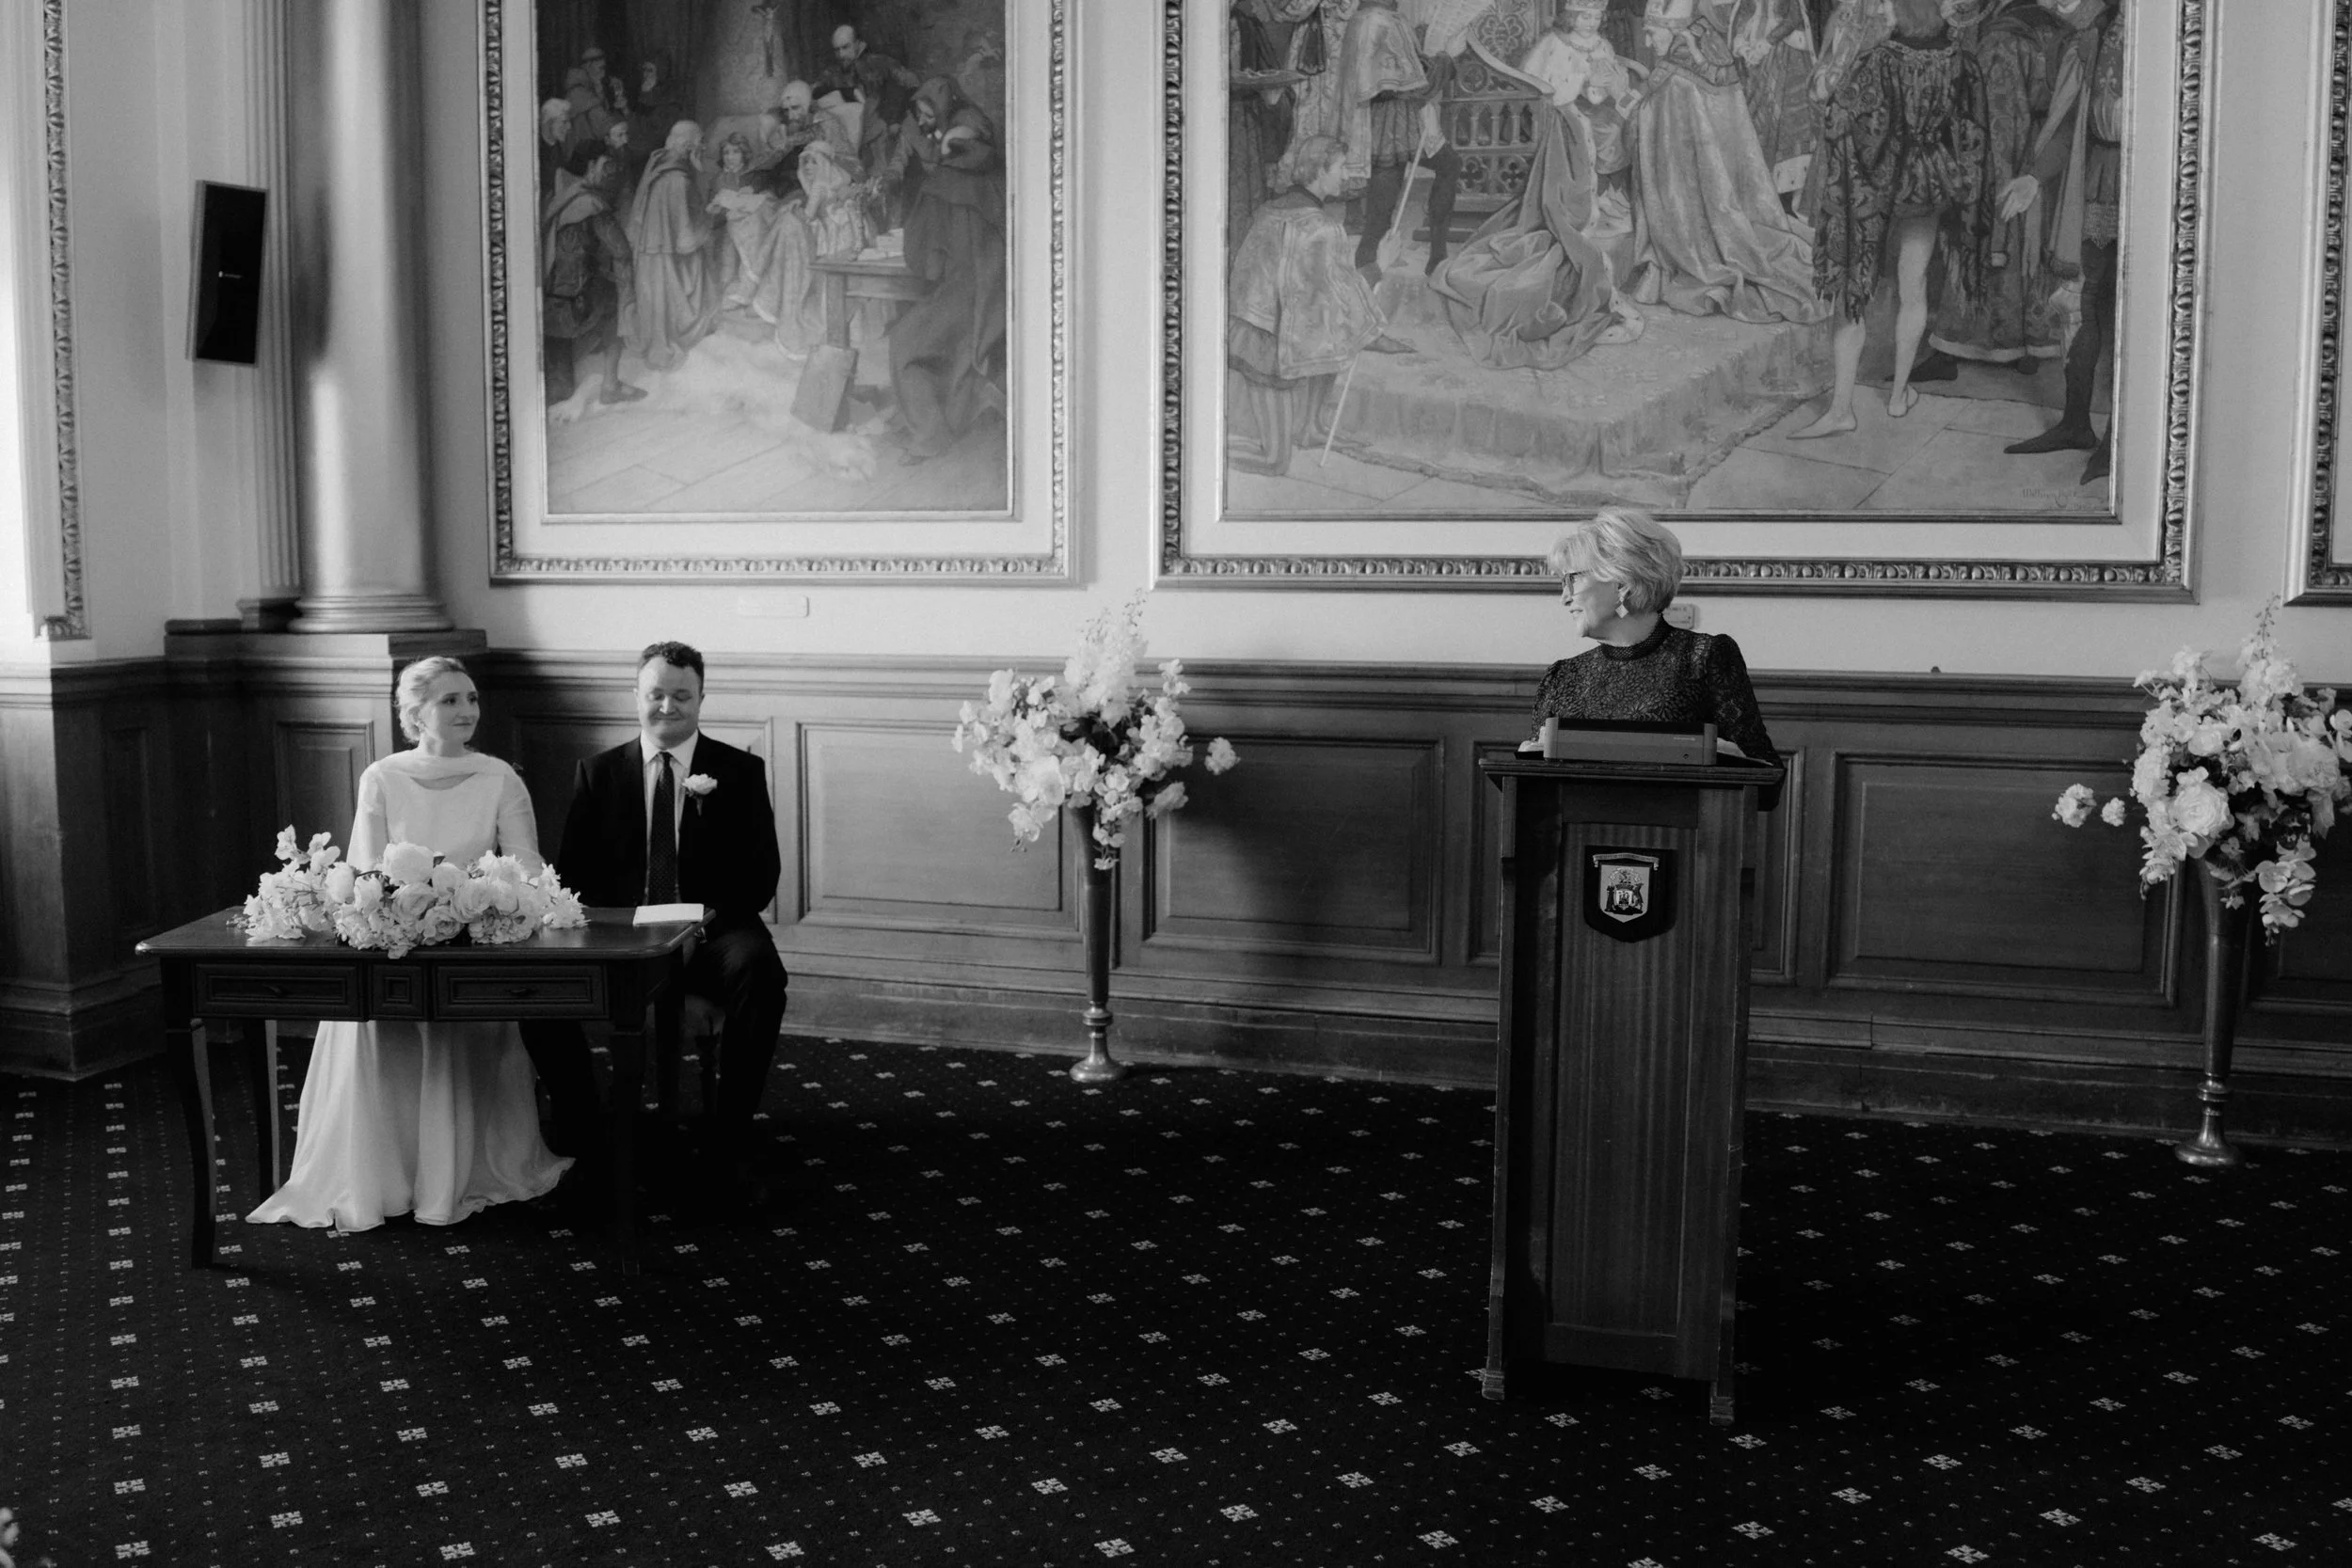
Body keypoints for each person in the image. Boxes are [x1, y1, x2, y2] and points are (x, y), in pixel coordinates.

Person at [248, 658, 571, 1231]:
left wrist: (481, 902)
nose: (467, 711)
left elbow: (527, 869)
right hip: (396, 941)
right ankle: (386, 1176)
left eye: (471, 698)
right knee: (384, 1019)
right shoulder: (381, 776)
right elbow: (365, 870)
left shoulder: (500, 777)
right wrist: (397, 914)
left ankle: (464, 1172)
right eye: (450, 701)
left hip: (473, 949)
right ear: (415, 712)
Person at [522, 642, 789, 1208]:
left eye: (681, 695)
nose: (667, 706)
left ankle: (729, 1136)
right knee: (535, 991)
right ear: (636, 696)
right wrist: (622, 933)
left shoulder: (740, 771)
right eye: (655, 695)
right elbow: (573, 877)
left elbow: (761, 877)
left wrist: (694, 929)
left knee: (760, 970)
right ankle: (589, 1134)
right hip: (621, 933)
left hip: (715, 929)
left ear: (701, 698)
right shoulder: (598, 772)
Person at [1792, 0, 1993, 437]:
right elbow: (1971, 132)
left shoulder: (1879, 60)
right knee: (1913, 285)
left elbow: (1844, 121)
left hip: (1876, 183)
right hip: (1930, 185)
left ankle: (1842, 408)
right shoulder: (1962, 62)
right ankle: (1899, 396)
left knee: (1852, 286)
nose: (1883, 11)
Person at [1525, 508, 1782, 812]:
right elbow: (1533, 796)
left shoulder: (1705, 657)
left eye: (1572, 580)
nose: (1564, 597)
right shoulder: (1563, 676)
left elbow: (1767, 784)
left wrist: (1723, 759)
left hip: (1687, 849)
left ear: (1621, 583)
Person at [1429, 29, 1642, 372]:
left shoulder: (1603, 43)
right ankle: (1574, 208)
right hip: (1551, 108)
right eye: (1585, 12)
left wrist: (1600, 86)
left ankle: (1610, 198)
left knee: (1608, 127)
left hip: (1590, 106)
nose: (1593, 17)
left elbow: (1600, 90)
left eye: (1597, 13)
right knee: (1576, 128)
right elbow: (1540, 84)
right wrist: (1581, 82)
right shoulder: (1552, 43)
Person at [1627, 0, 1825, 325]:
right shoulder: (1696, 49)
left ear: (1673, 30)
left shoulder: (1677, 72)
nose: (1648, 43)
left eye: (1652, 33)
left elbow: (1645, 117)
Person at [1227, 134, 1407, 475]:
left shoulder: (1267, 210)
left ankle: (1310, 427)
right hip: (1266, 348)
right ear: (1320, 170)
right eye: (1340, 167)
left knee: (1332, 333)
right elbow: (1342, 295)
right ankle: (1205, 451)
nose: (1347, 175)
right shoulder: (1323, 228)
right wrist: (1380, 264)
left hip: (1255, 328)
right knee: (1274, 462)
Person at [2001, 0, 2123, 484]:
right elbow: (2072, 121)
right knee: (2079, 304)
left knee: (2134, 316)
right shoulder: (2089, 38)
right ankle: (2076, 425)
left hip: (2145, 181)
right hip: (2093, 179)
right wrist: (2033, 177)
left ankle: (2125, 438)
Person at [1925, 0, 2074, 375]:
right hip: (2046, 156)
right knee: (2029, 251)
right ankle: (2027, 349)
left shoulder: (2002, 39)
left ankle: (1958, 351)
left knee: (1990, 244)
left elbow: (1998, 120)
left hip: (2004, 160)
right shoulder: (2053, 25)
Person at [885, 76, 1008, 464]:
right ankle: (934, 422)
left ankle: (930, 436)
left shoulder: (944, 183)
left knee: (904, 341)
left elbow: (924, 258)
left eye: (927, 116)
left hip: (964, 293)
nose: (923, 124)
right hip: (988, 296)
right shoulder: (990, 181)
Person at [1338, 0, 1465, 278]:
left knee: (1449, 164)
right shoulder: (1378, 21)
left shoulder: (1376, 18)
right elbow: (1397, 87)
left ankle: (1438, 256)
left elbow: (1408, 66)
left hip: (1405, 118)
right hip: (1387, 124)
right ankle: (1364, 275)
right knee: (1381, 212)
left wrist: (1429, 52)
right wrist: (1444, 63)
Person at [542, 147, 645, 408]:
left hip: (550, 300)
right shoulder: (591, 203)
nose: (611, 173)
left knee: (561, 388)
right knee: (616, 309)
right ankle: (610, 386)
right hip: (575, 303)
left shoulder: (564, 195)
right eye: (606, 166)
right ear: (589, 166)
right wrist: (628, 288)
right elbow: (621, 250)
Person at [628, 119, 721, 372]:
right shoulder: (679, 180)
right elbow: (686, 240)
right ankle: (694, 327)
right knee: (704, 262)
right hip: (667, 259)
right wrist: (711, 215)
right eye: (699, 145)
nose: (702, 149)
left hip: (651, 254)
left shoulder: (658, 168)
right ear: (691, 147)